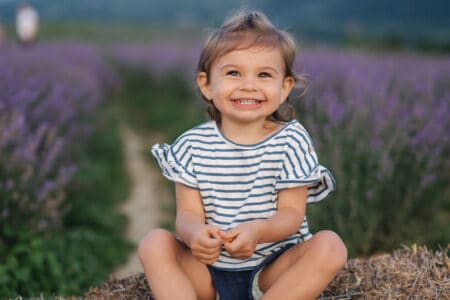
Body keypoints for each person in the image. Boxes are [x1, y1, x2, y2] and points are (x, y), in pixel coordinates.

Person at [139, 9, 347, 300]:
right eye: (233, 73)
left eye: (264, 75)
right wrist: (195, 234)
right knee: (153, 243)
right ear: (206, 84)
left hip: (271, 271)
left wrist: (258, 231)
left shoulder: (291, 140)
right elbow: (187, 214)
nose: (248, 85)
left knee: (331, 247)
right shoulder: (192, 145)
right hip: (208, 271)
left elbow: (291, 214)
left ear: (285, 87)